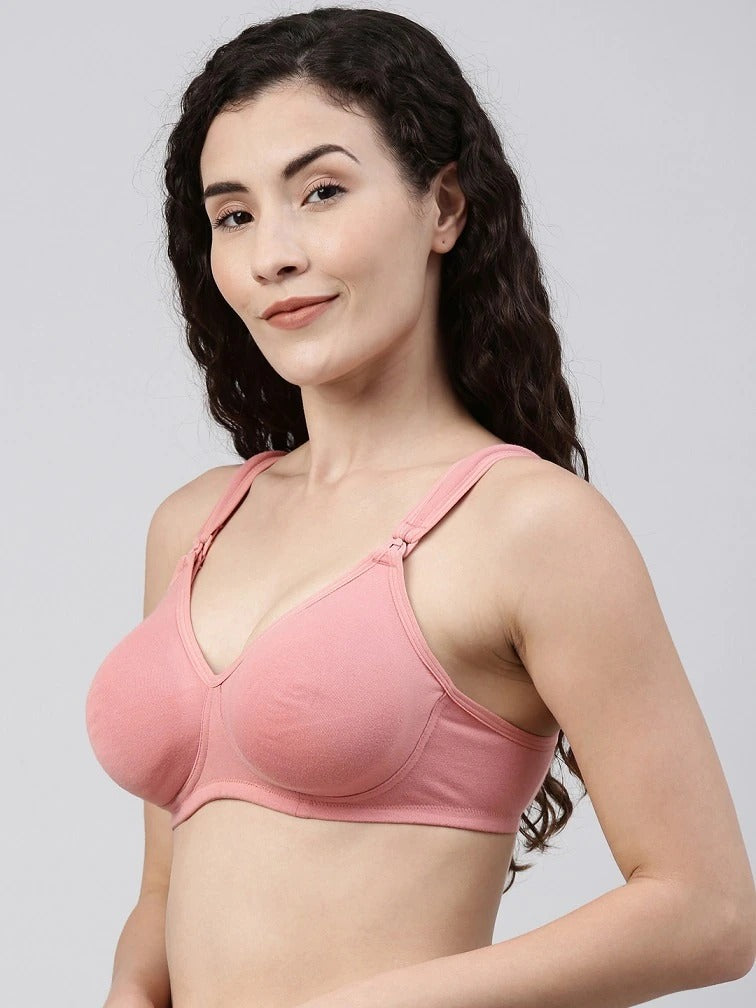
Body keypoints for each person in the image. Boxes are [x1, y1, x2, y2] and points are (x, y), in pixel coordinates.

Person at [84, 7, 755, 1008]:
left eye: (321, 191)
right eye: (234, 215)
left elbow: (709, 911)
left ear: (443, 208)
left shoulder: (530, 526)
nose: (273, 254)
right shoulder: (194, 525)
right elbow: (164, 889)